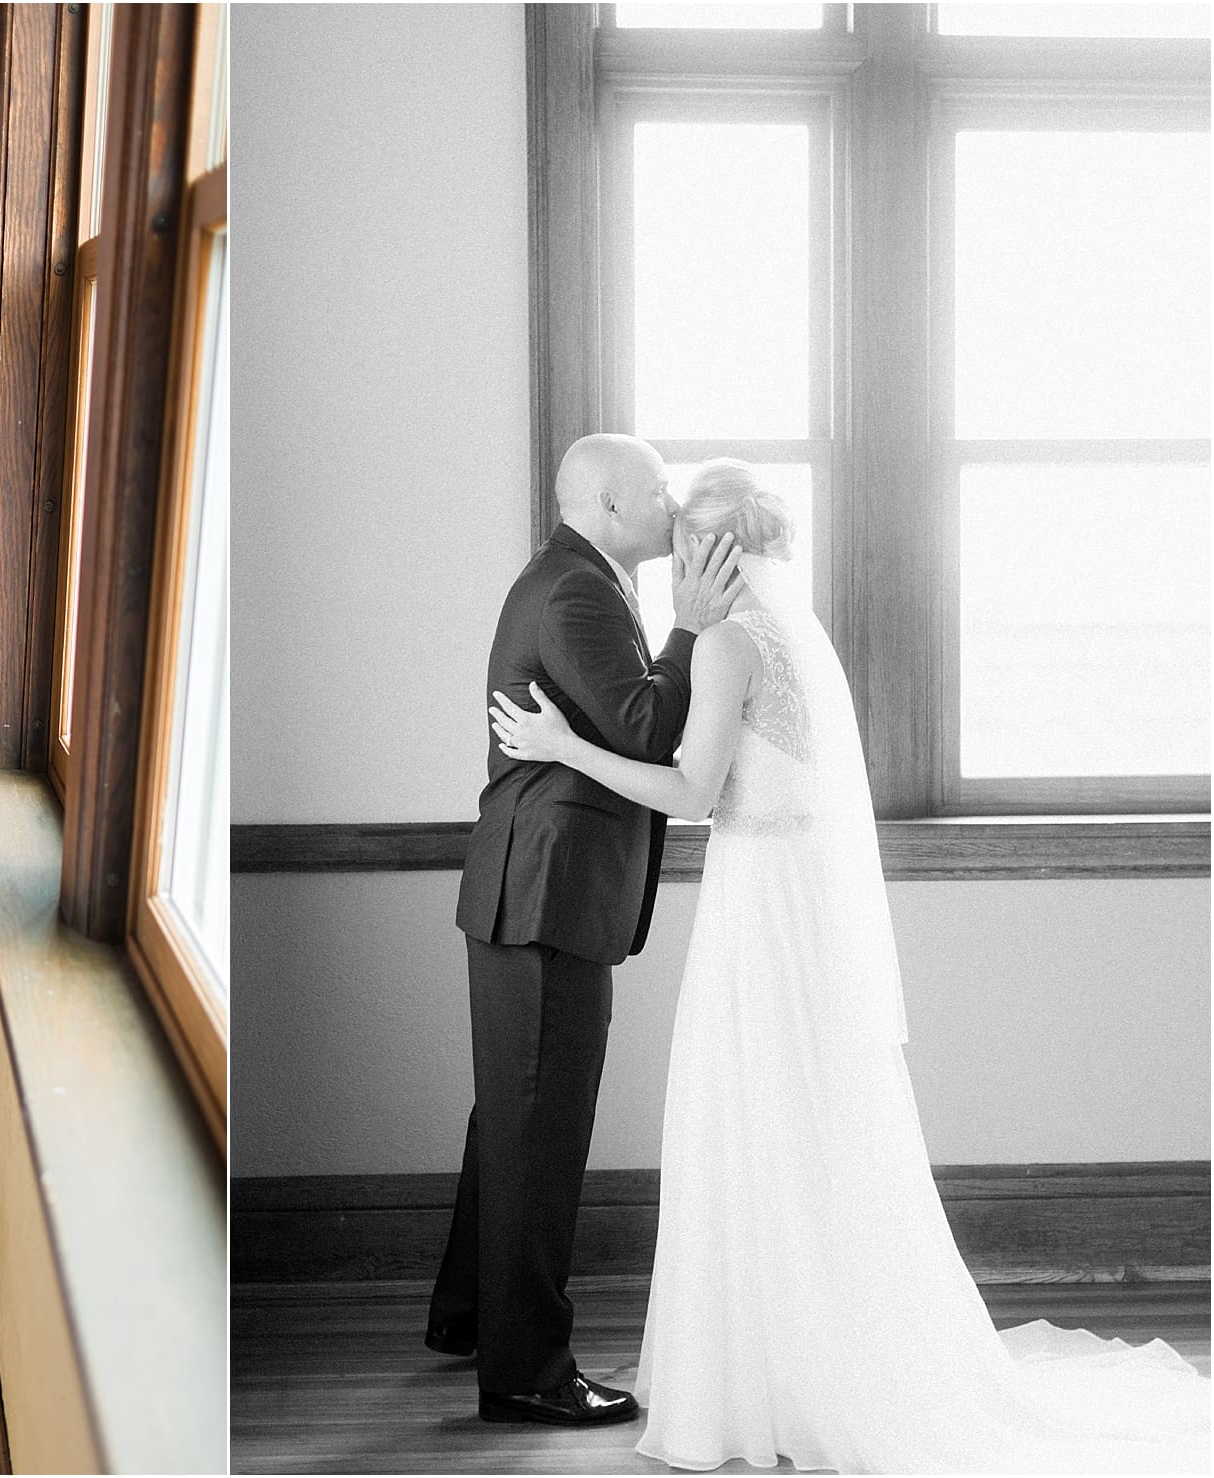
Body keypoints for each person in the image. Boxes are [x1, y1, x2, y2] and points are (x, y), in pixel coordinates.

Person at [489, 458, 1210, 1472]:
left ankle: (764, 1377)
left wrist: (565, 745)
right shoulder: (794, 627)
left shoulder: (736, 636)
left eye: (689, 541)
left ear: (716, 549)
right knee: (789, 1121)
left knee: (753, 1115)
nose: (678, 559)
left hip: (763, 911)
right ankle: (791, 1361)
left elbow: (692, 790)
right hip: (791, 905)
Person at [426, 432, 741, 1426]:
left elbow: (614, 727)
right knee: (539, 1132)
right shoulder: (576, 591)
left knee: (511, 1122)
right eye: (656, 489)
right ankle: (526, 1372)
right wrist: (690, 631)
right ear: (607, 505)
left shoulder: (579, 580)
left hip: (532, 891)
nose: (672, 501)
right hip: (545, 896)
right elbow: (649, 728)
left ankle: (469, 1315)